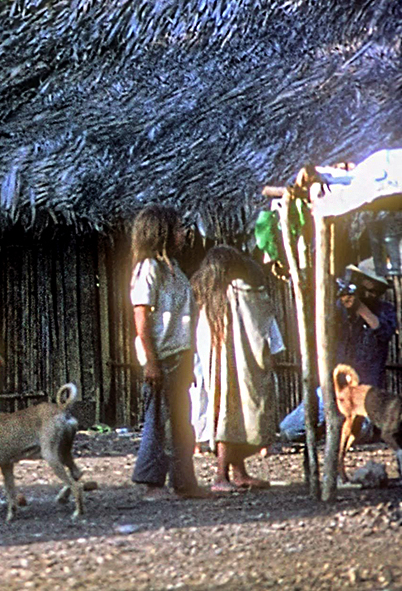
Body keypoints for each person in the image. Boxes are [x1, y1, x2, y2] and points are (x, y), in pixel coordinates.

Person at [129, 204, 207, 499]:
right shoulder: (148, 269)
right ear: (161, 233)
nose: (184, 233)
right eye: (177, 228)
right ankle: (151, 484)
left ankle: (185, 482)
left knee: (182, 422)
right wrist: (151, 361)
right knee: (158, 421)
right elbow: (141, 318)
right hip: (162, 356)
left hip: (180, 353)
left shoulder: (175, 271)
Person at [192, 245, 284, 491]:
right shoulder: (236, 294)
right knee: (229, 414)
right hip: (232, 368)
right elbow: (260, 327)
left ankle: (239, 472)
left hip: (232, 367)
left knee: (232, 412)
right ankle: (221, 476)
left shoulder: (216, 296)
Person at [279, 257, 397, 443]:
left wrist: (360, 308)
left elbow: (384, 331)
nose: (374, 293)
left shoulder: (385, 310)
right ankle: (330, 430)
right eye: (369, 287)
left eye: (378, 289)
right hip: (332, 389)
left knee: (361, 433)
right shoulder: (337, 309)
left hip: (365, 393)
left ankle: (337, 430)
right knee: (289, 430)